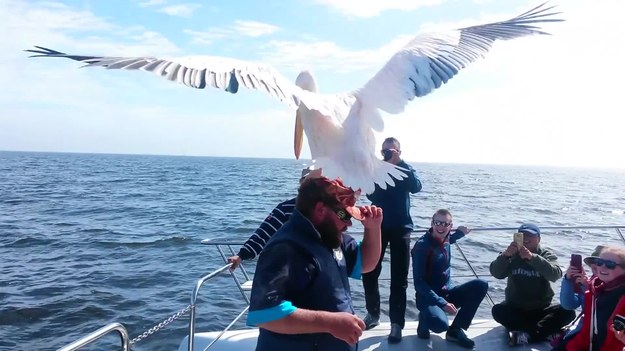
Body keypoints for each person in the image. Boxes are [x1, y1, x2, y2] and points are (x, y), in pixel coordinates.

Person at [247, 176, 383, 351]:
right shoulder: (286, 247)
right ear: (320, 210)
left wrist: (373, 228)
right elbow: (264, 314)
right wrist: (330, 323)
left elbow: (366, 263)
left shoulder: (331, 236)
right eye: (344, 214)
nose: (348, 222)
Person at [362, 137, 422, 343]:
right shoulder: (376, 170)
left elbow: (416, 187)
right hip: (378, 228)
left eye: (391, 151)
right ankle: (373, 314)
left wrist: (401, 164)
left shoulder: (405, 169)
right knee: (369, 272)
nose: (386, 155)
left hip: (401, 229)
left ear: (398, 151)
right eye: (384, 151)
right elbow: (371, 195)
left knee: (399, 278)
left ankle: (397, 324)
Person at [412, 209, 488, 349]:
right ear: (432, 223)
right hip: (428, 298)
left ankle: (455, 330)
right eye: (437, 223)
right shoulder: (422, 246)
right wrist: (442, 303)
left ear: (450, 226)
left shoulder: (446, 238)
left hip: (447, 292)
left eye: (445, 224)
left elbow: (449, 239)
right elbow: (419, 283)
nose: (441, 227)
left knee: (481, 285)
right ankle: (424, 317)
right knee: (440, 325)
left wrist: (460, 233)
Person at [489, 223, 576, 346]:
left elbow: (555, 275)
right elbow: (496, 273)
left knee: (568, 312)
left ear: (538, 239)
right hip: (516, 308)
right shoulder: (510, 254)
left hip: (541, 309)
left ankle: (527, 335)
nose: (526, 239)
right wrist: (505, 256)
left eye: (530, 236)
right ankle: (543, 332)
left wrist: (533, 258)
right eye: (522, 235)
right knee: (498, 311)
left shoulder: (546, 254)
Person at [227, 167, 320, 270]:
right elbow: (264, 233)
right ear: (301, 183)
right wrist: (241, 255)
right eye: (308, 180)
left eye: (316, 180)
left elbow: (340, 226)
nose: (312, 185)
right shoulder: (285, 208)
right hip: (296, 269)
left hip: (326, 269)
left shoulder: (335, 208)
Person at [565, 246, 625, 351]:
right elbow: (586, 332)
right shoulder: (593, 291)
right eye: (600, 262)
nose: (602, 267)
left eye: (610, 265)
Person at [551, 245, 604, 350]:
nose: (595, 265)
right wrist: (568, 280)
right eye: (592, 262)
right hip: (584, 330)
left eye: (600, 262)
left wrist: (587, 287)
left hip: (597, 334)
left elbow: (599, 310)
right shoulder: (591, 280)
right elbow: (569, 305)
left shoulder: (616, 286)